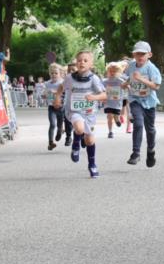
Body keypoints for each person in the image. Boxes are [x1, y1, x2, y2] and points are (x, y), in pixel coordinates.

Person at [55, 50, 106, 178]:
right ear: (76, 63)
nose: (82, 62)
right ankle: (76, 145)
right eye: (79, 60)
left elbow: (104, 95)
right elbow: (61, 87)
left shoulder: (94, 79)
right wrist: (57, 98)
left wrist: (94, 98)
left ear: (91, 64)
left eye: (85, 60)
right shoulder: (69, 78)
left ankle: (92, 165)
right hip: (74, 111)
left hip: (89, 113)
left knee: (90, 140)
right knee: (79, 128)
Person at [123, 41, 162, 167]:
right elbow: (128, 78)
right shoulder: (131, 66)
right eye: (137, 54)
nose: (139, 56)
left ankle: (151, 150)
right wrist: (125, 84)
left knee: (150, 130)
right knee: (138, 124)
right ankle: (136, 153)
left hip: (149, 101)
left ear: (149, 55)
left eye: (142, 54)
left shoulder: (151, 68)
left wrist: (141, 79)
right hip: (135, 99)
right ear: (133, 55)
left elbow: (156, 86)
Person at [102, 61, 128, 139]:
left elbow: (126, 86)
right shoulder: (104, 81)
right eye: (110, 71)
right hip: (108, 102)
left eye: (114, 71)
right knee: (109, 116)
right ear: (107, 71)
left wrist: (128, 88)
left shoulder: (120, 80)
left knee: (116, 115)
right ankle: (110, 131)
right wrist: (101, 98)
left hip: (117, 102)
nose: (112, 73)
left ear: (118, 72)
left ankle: (117, 119)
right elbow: (100, 90)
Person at [45, 63, 65, 151]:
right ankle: (51, 143)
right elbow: (45, 93)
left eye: (56, 73)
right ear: (50, 74)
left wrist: (55, 92)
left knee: (59, 125)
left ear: (60, 74)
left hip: (61, 107)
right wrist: (45, 94)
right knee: (52, 124)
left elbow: (65, 93)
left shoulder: (62, 82)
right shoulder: (47, 83)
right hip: (51, 107)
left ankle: (60, 131)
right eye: (52, 73)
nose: (54, 75)